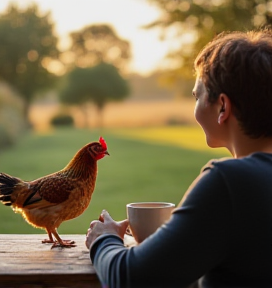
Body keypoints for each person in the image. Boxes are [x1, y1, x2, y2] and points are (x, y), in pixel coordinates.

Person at [85, 29, 272, 288]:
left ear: (222, 107)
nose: (194, 106)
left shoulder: (229, 183)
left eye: (196, 96)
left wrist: (103, 239)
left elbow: (131, 278)